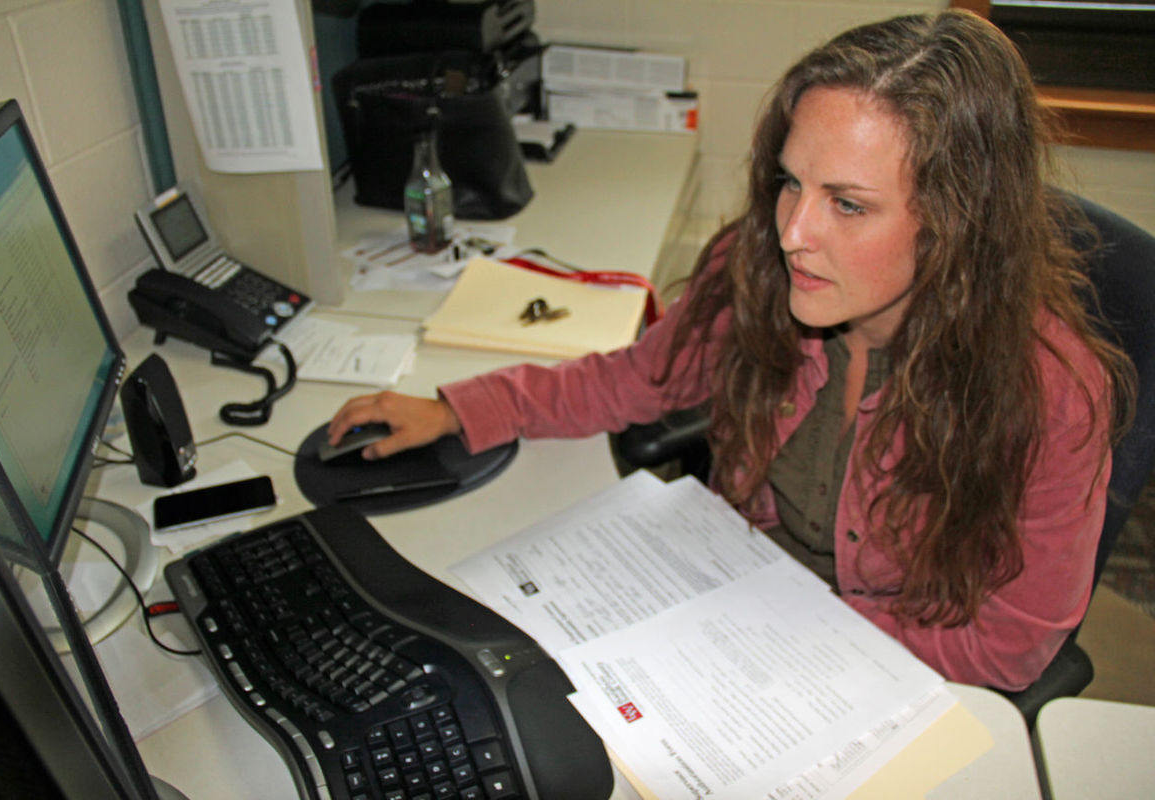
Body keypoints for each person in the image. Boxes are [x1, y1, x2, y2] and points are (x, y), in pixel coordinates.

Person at [327, 10, 1135, 692]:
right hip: (729, 610)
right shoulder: (759, 271)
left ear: (957, 222)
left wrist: (789, 628)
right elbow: (637, 379)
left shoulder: (1053, 393)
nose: (793, 232)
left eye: (848, 205)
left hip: (875, 668)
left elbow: (1011, 646)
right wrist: (461, 408)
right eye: (791, 183)